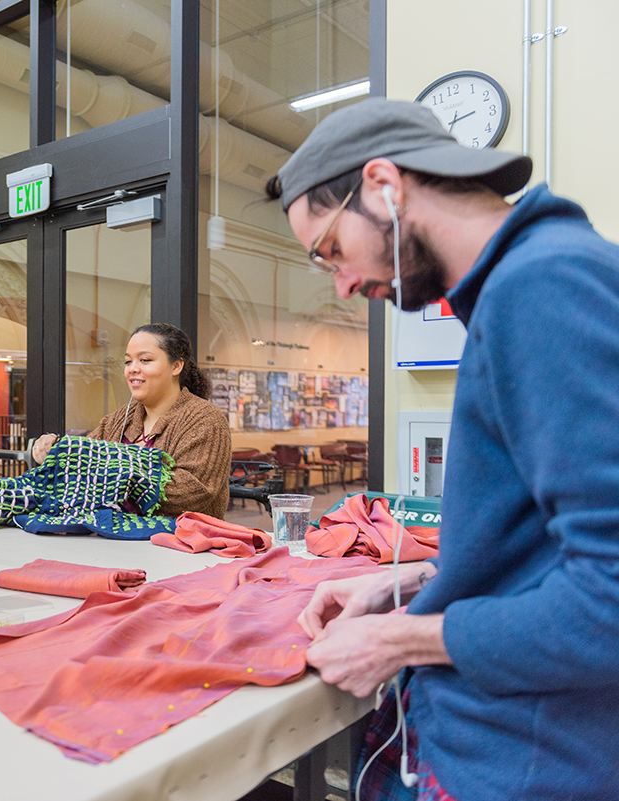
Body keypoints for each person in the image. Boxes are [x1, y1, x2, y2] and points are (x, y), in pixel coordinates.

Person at [268, 98, 619, 800]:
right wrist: (413, 580)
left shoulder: (542, 287)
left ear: (384, 186)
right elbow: (547, 555)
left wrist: (398, 639)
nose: (342, 285)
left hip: (520, 761)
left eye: (332, 250)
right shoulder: (526, 284)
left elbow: (609, 597)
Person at [31, 323, 231, 518]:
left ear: (176, 366)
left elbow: (190, 493)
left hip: (180, 547)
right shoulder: (118, 419)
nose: (132, 369)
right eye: (128, 362)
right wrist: (55, 450)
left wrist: (109, 474)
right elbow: (83, 459)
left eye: (144, 360)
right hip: (116, 543)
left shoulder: (206, 419)